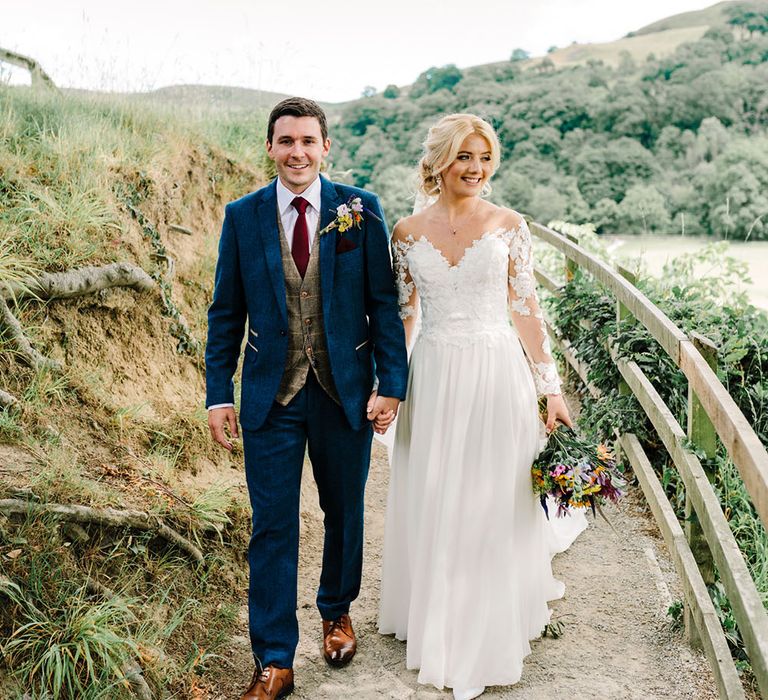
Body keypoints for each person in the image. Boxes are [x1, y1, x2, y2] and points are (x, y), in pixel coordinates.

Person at [378, 113, 587, 700]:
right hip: (436, 374)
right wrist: (389, 382)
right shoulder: (406, 232)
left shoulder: (509, 225)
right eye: (464, 157)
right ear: (440, 161)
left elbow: (526, 311)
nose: (475, 169)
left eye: (484, 157)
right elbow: (403, 315)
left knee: (490, 495)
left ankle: (487, 620)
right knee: (438, 490)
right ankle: (437, 610)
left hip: (497, 373)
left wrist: (549, 386)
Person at [205, 97, 408, 700]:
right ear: (270, 147)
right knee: (272, 525)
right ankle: (274, 658)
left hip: (344, 391)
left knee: (344, 510)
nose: (297, 152)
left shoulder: (358, 209)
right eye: (286, 141)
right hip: (270, 396)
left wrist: (391, 384)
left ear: (325, 147)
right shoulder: (242, 217)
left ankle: (336, 611)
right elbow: (225, 314)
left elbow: (383, 304)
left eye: (308, 141)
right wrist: (219, 394)